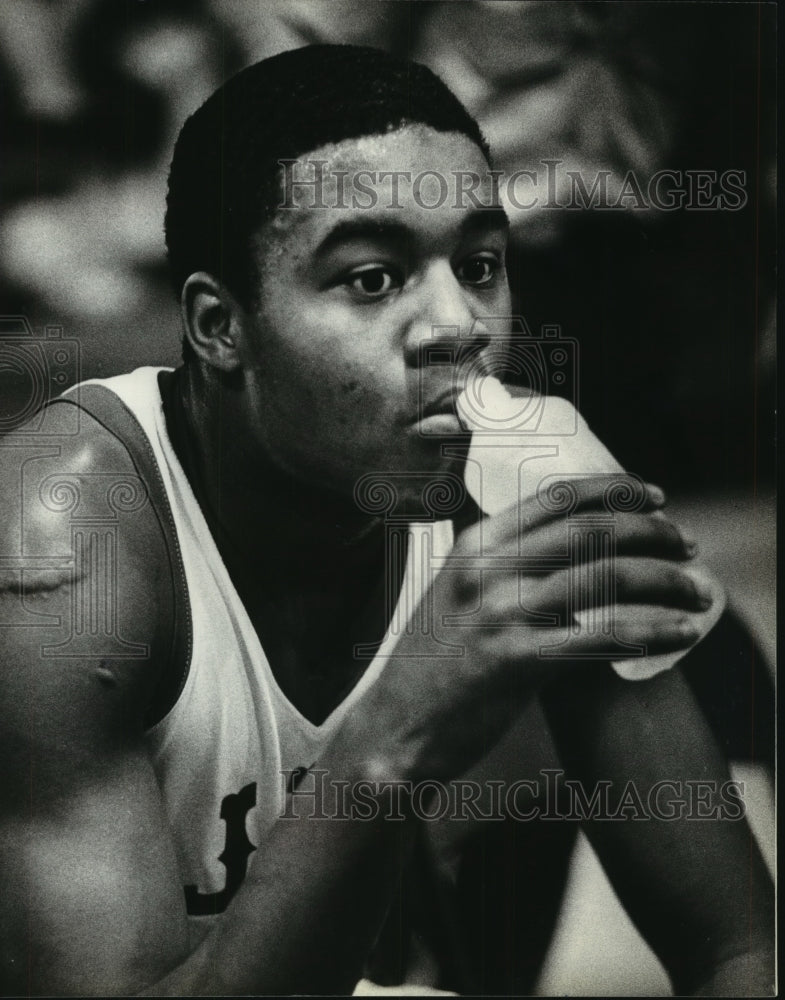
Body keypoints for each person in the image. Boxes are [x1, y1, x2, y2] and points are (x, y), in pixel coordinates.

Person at [0, 44, 773, 996]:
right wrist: (394, 732)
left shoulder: (522, 478)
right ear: (217, 327)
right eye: (372, 279)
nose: (459, 325)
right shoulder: (61, 548)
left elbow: (737, 952)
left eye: (480, 264)